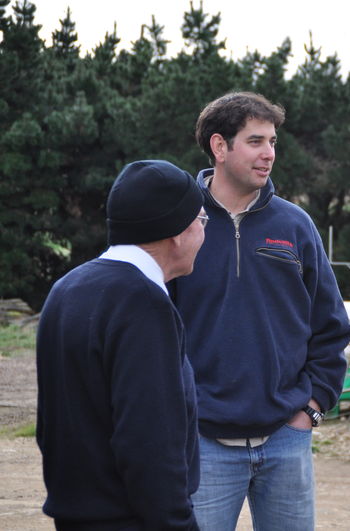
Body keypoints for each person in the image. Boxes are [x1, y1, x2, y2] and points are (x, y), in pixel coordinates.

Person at [170, 91, 350, 530]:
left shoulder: (295, 225)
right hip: (203, 442)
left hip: (285, 439)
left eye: (272, 142)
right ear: (220, 146)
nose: (269, 153)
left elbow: (330, 327)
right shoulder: (177, 225)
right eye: (255, 141)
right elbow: (149, 329)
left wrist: (311, 409)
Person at [36, 160, 207, 529]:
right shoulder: (144, 303)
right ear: (177, 231)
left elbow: (50, 424)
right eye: (202, 221)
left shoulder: (67, 289)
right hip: (130, 519)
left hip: (76, 516)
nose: (204, 233)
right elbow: (149, 443)